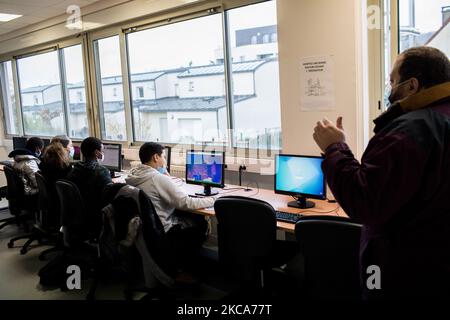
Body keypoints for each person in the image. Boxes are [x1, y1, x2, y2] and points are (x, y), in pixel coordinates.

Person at [312, 46, 450, 299]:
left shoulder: (408, 130)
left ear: (412, 86)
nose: (390, 88)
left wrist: (334, 148)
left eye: (392, 80)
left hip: (401, 269)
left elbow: (364, 203)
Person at [126, 142, 214, 270]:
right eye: (164, 157)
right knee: (202, 223)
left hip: (145, 230)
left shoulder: (134, 175)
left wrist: (165, 177)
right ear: (156, 157)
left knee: (187, 215)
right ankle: (182, 268)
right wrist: (213, 200)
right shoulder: (157, 179)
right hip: (164, 232)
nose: (165, 161)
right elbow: (187, 203)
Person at [67, 137, 112, 236]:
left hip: (77, 213)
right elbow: (110, 194)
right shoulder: (101, 171)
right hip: (95, 214)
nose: (102, 153)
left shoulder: (75, 169)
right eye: (102, 151)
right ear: (97, 153)